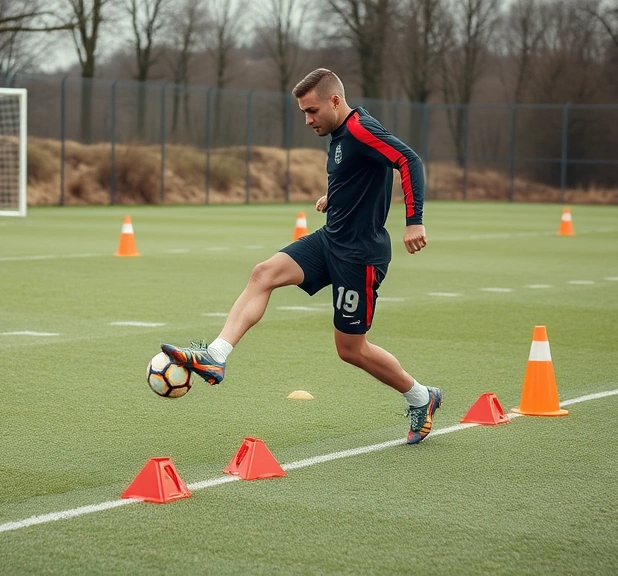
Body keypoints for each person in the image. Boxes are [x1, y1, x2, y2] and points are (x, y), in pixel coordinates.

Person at [161, 68, 441, 445]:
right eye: (303, 113)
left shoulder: (361, 128)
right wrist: (334, 196)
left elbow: (409, 161)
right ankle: (216, 355)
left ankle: (421, 397)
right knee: (263, 273)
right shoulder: (339, 133)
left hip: (360, 256)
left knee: (351, 349)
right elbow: (360, 171)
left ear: (335, 101)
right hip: (330, 240)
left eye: (312, 111)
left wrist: (414, 221)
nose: (308, 120)